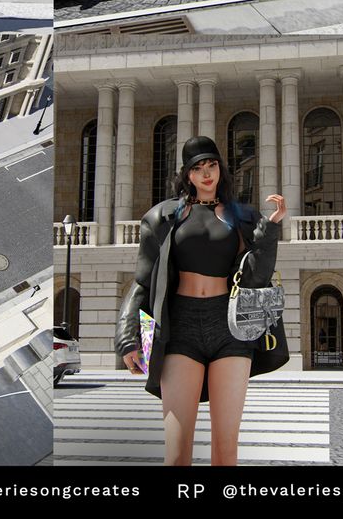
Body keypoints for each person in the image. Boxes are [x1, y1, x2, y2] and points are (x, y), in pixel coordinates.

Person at [115, 135, 289, 466]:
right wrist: (127, 338)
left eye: (211, 166)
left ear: (220, 170)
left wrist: (270, 230)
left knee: (226, 452)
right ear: (187, 175)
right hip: (179, 328)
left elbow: (257, 278)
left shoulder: (244, 218)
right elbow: (143, 281)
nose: (206, 174)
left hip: (230, 328)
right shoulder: (163, 217)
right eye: (198, 168)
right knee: (177, 453)